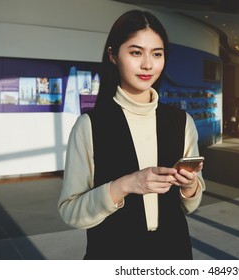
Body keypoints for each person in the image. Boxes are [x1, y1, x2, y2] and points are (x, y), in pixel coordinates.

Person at [58, 10, 205, 260]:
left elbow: (190, 204)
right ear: (113, 55)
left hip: (174, 252)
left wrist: (190, 186)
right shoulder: (90, 125)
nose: (148, 64)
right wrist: (126, 185)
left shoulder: (182, 122)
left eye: (157, 54)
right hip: (112, 254)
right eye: (136, 52)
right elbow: (71, 212)